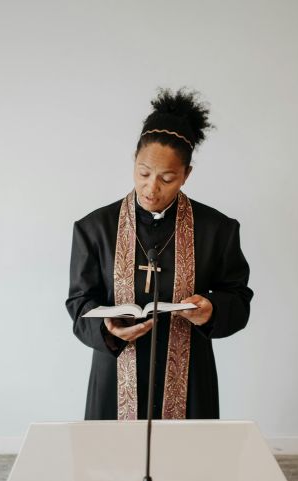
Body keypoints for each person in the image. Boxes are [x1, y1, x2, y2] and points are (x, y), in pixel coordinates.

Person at [65, 87, 253, 420]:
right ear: (134, 161)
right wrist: (108, 329)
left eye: (167, 178)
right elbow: (79, 304)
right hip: (114, 382)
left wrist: (212, 310)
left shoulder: (217, 229)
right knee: (112, 454)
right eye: (144, 173)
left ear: (186, 174)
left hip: (190, 382)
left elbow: (238, 301)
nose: (152, 188)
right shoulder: (94, 228)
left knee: (186, 454)